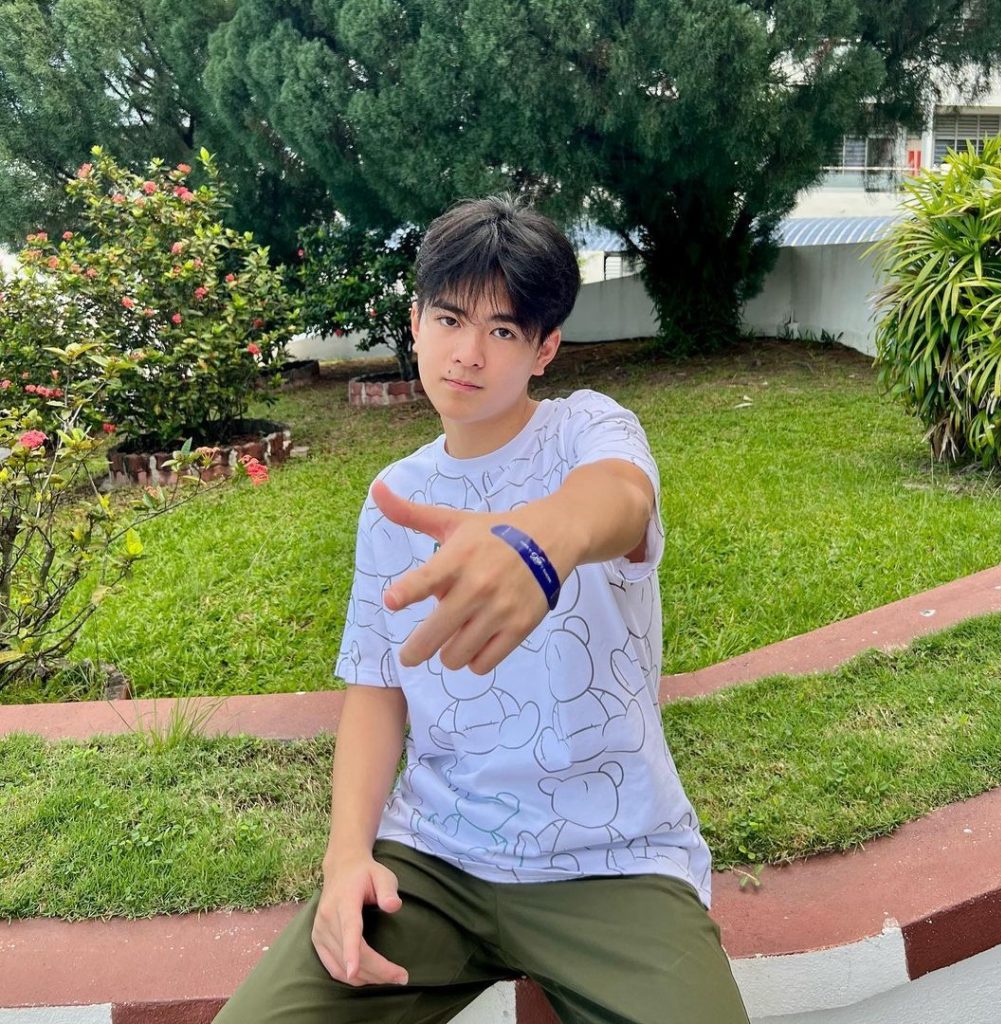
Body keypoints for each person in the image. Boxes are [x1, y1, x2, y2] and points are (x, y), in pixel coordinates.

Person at [214, 196, 750, 1024]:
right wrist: (346, 858)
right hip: (435, 860)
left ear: (545, 349)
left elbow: (619, 501)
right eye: (450, 319)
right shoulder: (394, 498)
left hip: (614, 860)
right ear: (415, 321)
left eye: (503, 330)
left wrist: (541, 545)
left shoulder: (588, 431)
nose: (468, 353)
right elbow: (377, 688)